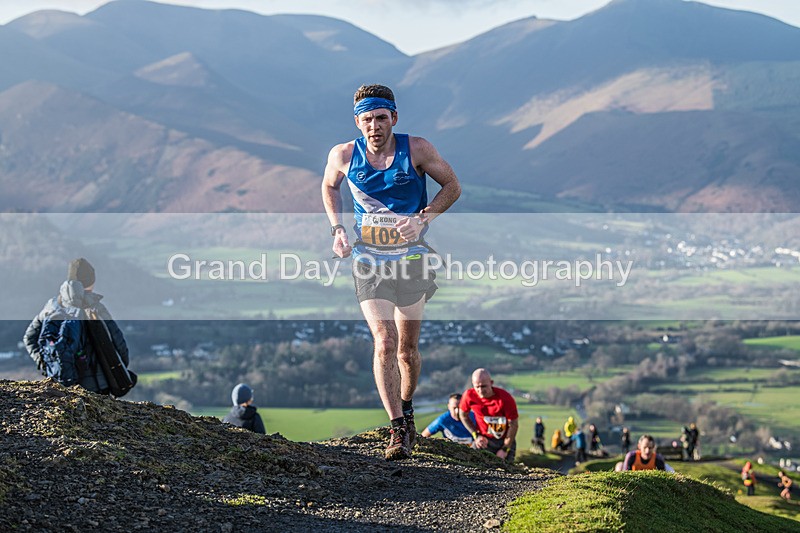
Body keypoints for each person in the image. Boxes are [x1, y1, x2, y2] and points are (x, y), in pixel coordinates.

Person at [321, 84, 461, 460]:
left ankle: (407, 405)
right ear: (358, 122)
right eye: (367, 119)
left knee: (407, 351)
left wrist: (423, 219)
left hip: (412, 258)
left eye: (381, 118)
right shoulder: (343, 155)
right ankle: (398, 429)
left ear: (393, 118)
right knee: (384, 341)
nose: (374, 126)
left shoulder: (417, 149)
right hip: (368, 259)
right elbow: (329, 186)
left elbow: (452, 186)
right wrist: (337, 229)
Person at [23, 258, 130, 394]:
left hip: (62, 382)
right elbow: (118, 341)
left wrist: (44, 362)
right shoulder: (94, 307)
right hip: (98, 385)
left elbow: (29, 338)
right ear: (90, 282)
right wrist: (121, 367)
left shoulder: (52, 306)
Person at [459, 368, 519, 462]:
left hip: (504, 440)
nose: (480, 390)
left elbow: (513, 424)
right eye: (477, 387)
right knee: (469, 462)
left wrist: (505, 449)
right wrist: (476, 435)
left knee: (505, 468)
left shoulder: (505, 398)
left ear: (491, 383)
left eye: (484, 386)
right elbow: (463, 415)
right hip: (484, 440)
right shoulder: (469, 396)